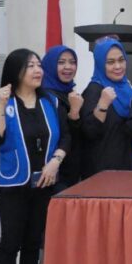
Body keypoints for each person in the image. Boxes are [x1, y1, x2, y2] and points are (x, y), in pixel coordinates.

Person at [0, 49, 70, 264]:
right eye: (30, 66)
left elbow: (65, 137)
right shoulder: (0, 102)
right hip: (13, 183)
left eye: (38, 65)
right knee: (11, 242)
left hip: (43, 181)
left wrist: (56, 161)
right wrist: (1, 104)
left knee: (33, 240)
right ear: (16, 71)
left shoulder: (50, 101)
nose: (37, 70)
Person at [80, 38, 132, 175]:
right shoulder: (94, 90)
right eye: (110, 62)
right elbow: (89, 132)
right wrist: (103, 104)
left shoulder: (127, 88)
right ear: (100, 64)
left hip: (126, 166)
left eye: (121, 60)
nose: (118, 66)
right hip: (102, 171)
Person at [40, 45, 84, 189]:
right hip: (54, 172)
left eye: (72, 62)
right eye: (61, 62)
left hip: (72, 170)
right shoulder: (46, 97)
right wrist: (74, 112)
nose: (68, 67)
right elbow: (65, 135)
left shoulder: (68, 92)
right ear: (50, 65)